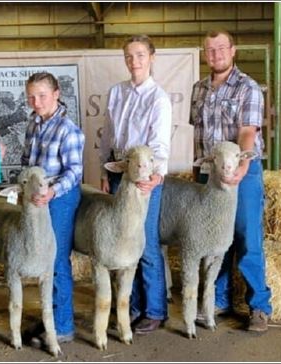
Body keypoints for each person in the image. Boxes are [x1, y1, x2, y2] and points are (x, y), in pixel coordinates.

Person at [189, 30, 272, 332]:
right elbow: (196, 136)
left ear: (233, 50)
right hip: (208, 175)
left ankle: (259, 306)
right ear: (204, 54)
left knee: (248, 237)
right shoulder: (198, 89)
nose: (216, 55)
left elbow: (247, 131)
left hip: (242, 171)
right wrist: (195, 170)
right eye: (210, 50)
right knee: (214, 238)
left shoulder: (247, 87)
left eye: (221, 48)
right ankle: (218, 299)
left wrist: (242, 163)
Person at [99, 35, 172, 335]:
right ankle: (135, 305)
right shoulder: (116, 92)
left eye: (140, 55)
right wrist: (104, 171)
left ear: (151, 57)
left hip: (144, 174)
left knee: (145, 242)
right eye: (129, 56)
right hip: (118, 169)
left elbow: (160, 143)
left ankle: (155, 310)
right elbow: (107, 134)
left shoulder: (159, 98)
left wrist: (157, 175)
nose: (134, 61)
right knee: (124, 239)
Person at [20, 72, 85, 347]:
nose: (36, 102)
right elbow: (26, 160)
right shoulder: (33, 123)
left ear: (57, 94)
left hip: (59, 198)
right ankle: (50, 317)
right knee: (41, 259)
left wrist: (52, 191)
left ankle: (63, 326)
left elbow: (75, 171)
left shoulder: (68, 130)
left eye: (42, 96)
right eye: (31, 97)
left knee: (56, 260)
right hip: (36, 197)